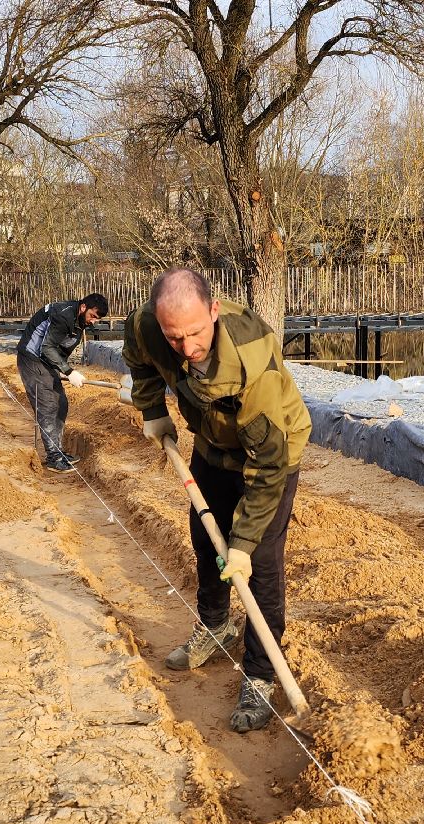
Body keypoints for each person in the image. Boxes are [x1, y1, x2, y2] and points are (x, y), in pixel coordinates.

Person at [123, 267, 312, 733]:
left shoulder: (251, 362)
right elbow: (139, 357)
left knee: (260, 563)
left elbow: (268, 468)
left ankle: (261, 673)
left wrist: (244, 545)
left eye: (194, 334)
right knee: (205, 538)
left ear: (213, 311)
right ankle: (214, 625)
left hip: (271, 453)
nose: (186, 348)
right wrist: (152, 410)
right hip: (212, 443)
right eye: (174, 337)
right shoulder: (149, 326)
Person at [16, 292, 109, 472]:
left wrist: (60, 369)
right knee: (48, 405)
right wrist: (69, 370)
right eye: (93, 316)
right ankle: (53, 457)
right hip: (32, 359)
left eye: (97, 319)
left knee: (61, 403)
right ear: (83, 307)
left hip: (46, 361)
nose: (94, 321)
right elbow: (47, 347)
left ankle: (57, 450)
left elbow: (60, 347)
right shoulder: (64, 315)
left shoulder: (79, 321)